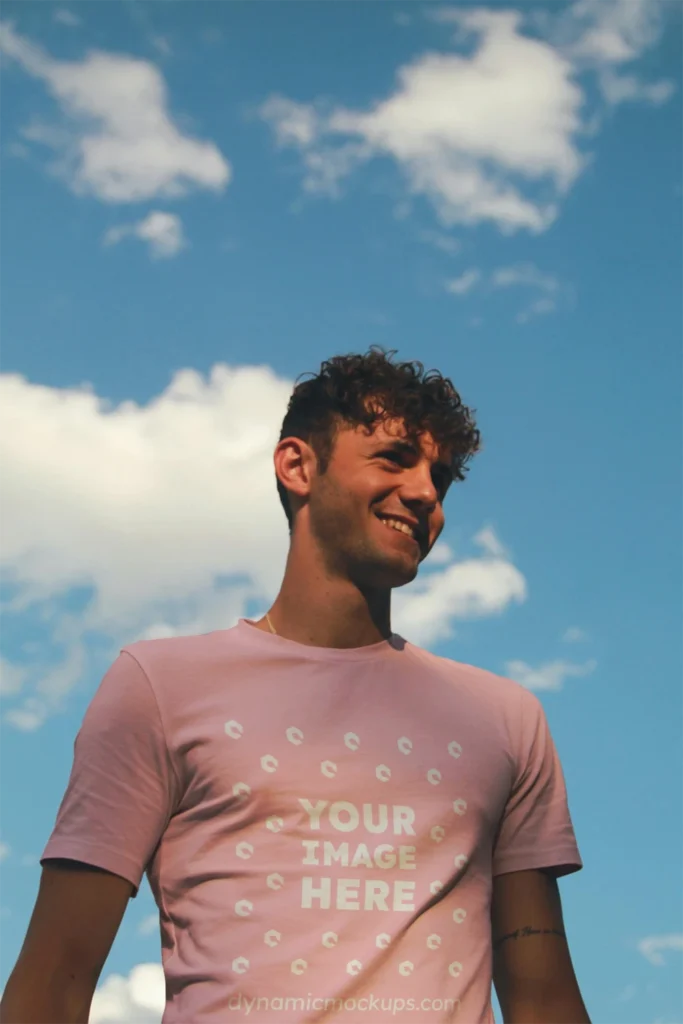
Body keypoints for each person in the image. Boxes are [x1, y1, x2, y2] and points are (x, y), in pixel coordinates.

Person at [0, 347, 591, 1023]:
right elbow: (51, 984)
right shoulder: (158, 686)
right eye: (395, 458)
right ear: (297, 466)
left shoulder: (505, 719)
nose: (427, 492)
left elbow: (543, 998)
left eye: (442, 476)